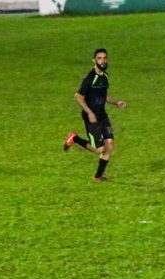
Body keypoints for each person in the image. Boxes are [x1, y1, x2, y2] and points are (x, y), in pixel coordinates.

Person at [62, 48, 127, 182]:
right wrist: (90, 113)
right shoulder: (90, 78)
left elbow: (103, 95)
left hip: (102, 115)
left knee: (110, 144)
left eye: (104, 58)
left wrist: (116, 102)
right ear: (94, 60)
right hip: (91, 117)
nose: (102, 61)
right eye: (99, 58)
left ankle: (98, 176)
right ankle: (75, 139)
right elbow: (78, 96)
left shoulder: (105, 76)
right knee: (100, 149)